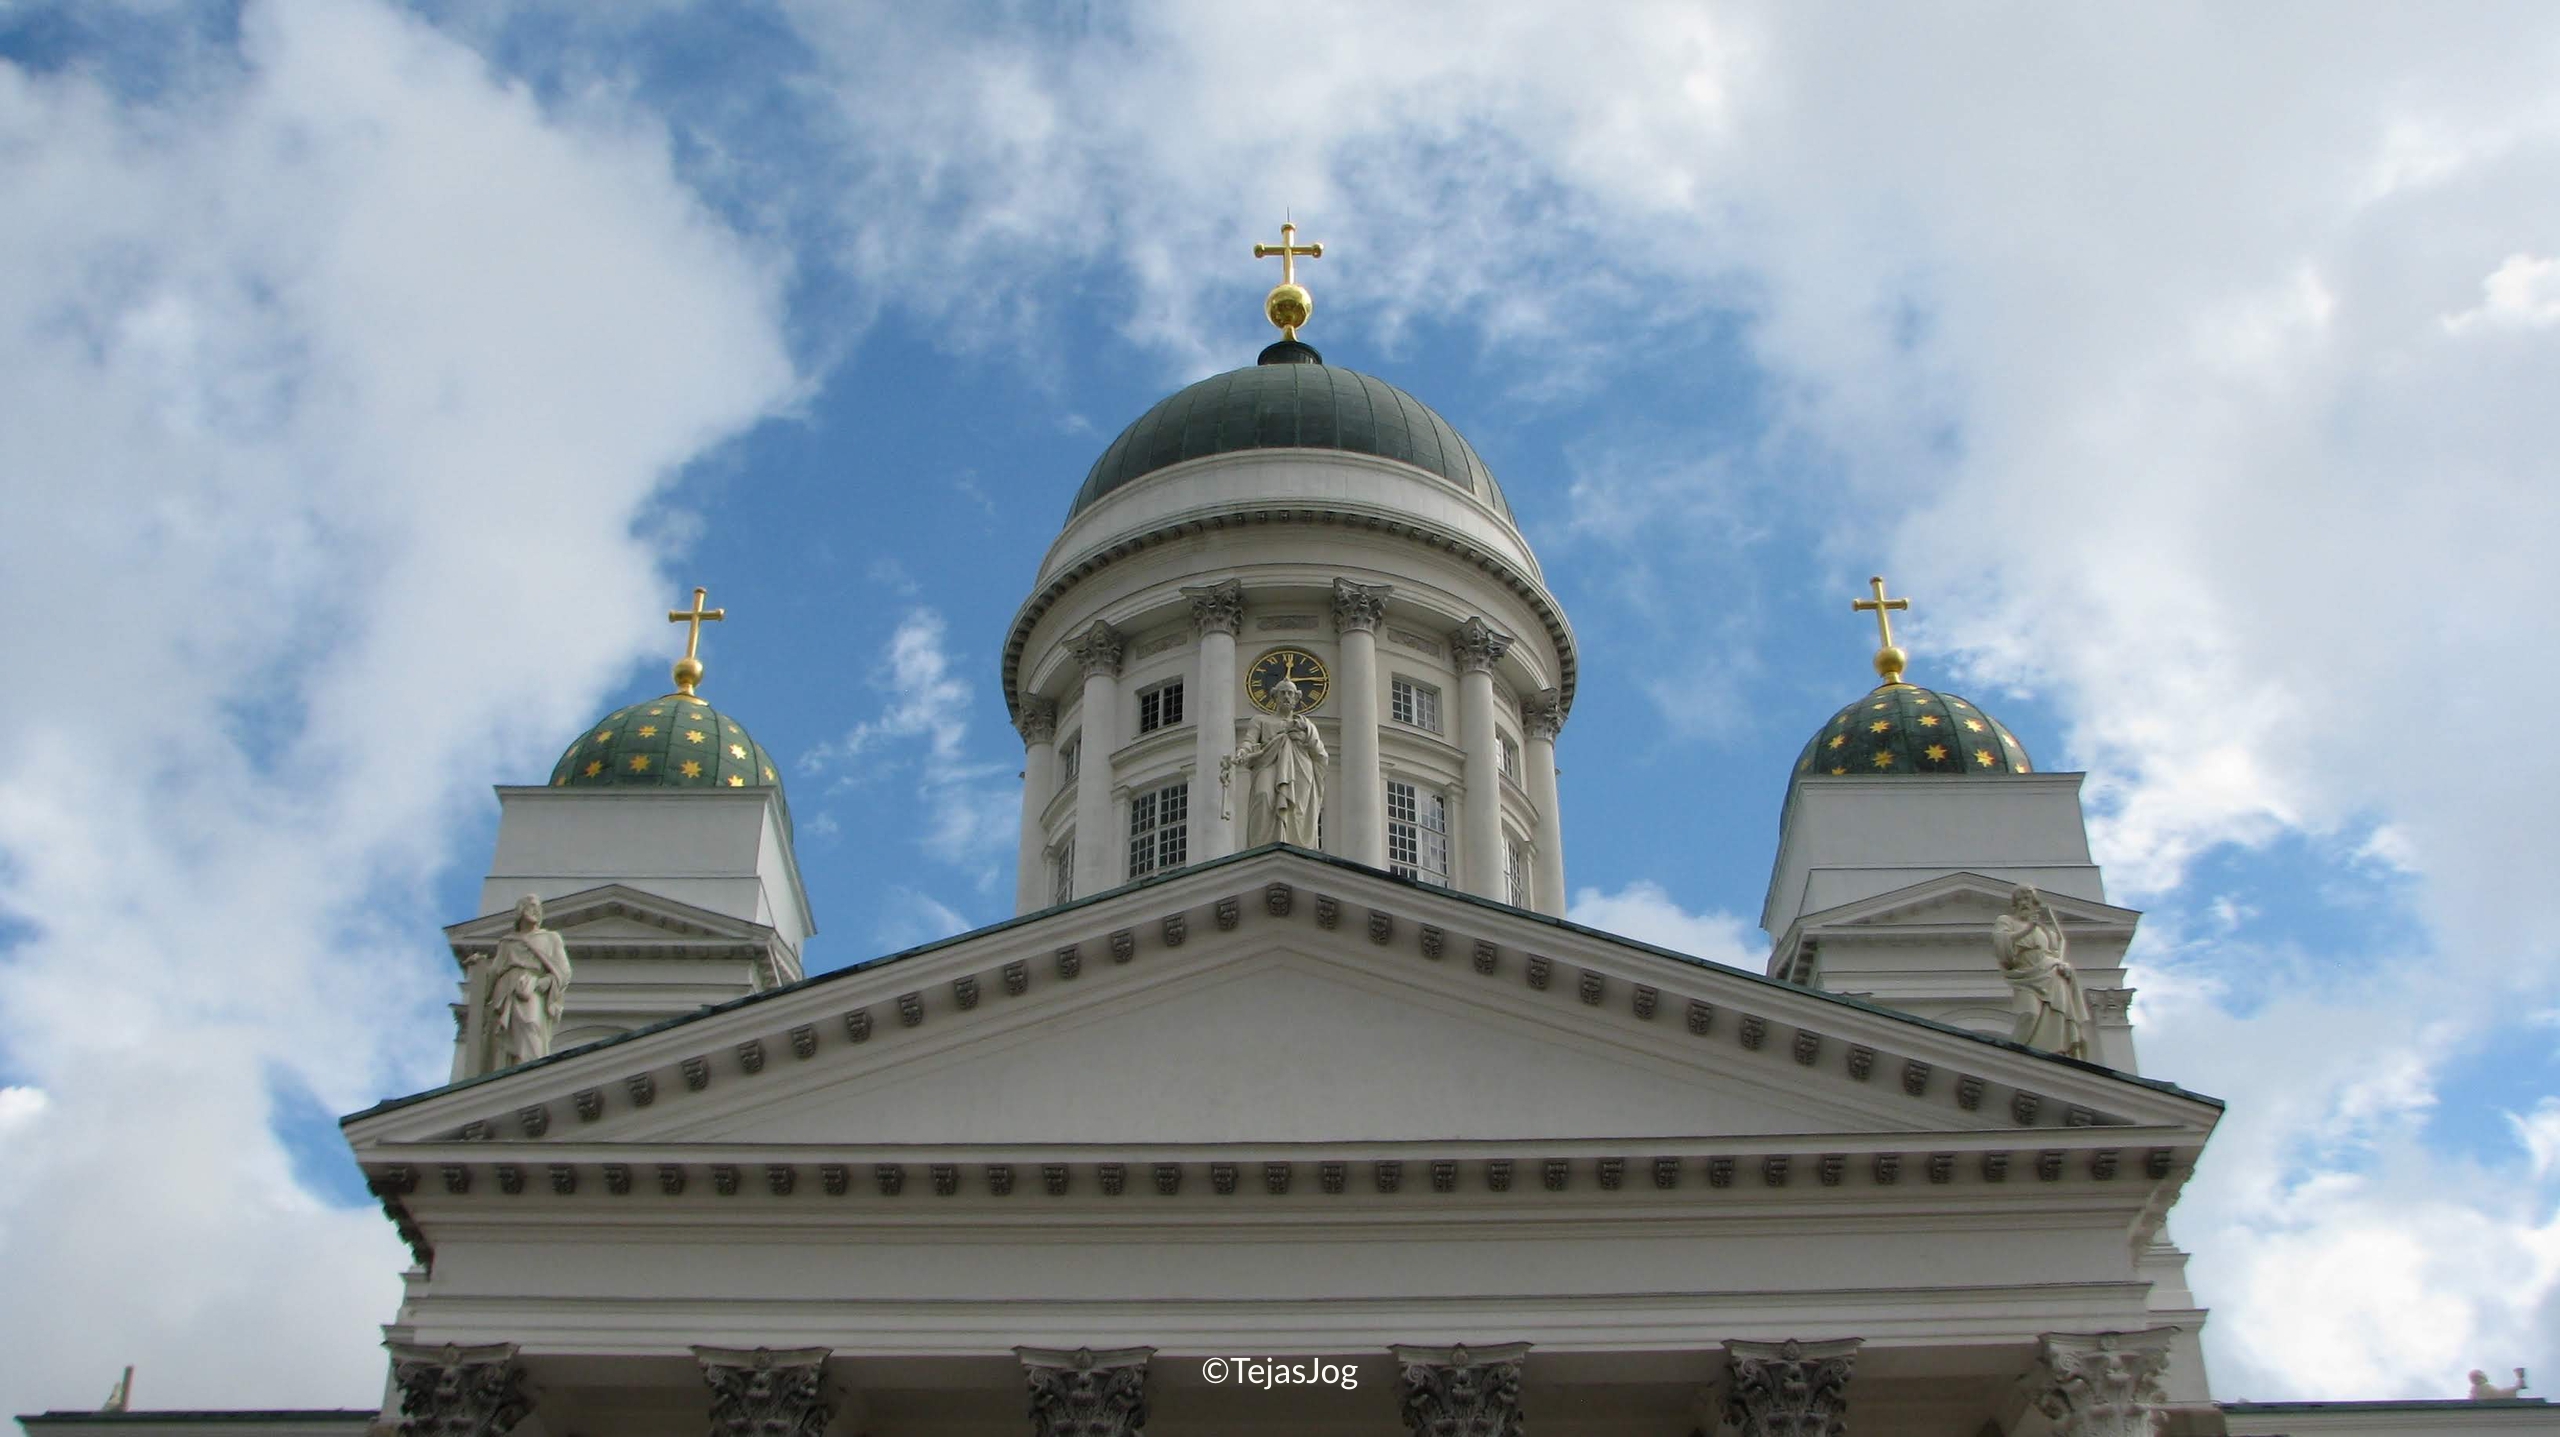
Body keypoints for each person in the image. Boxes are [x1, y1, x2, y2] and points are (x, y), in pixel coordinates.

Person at [1991, 885, 2092, 1059]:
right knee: (2029, 1014)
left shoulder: (2046, 931)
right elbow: (2001, 942)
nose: (2024, 903)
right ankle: (2014, 1061)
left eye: (2027, 899)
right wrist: (2028, 929)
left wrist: (2064, 966)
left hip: (2051, 974)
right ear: (2014, 904)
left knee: (2056, 1017)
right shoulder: (2006, 921)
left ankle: (2053, 1054)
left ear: (2035, 904)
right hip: (2025, 976)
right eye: (2020, 900)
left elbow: (2053, 954)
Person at [1229, 677, 1327, 848]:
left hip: (1299, 765)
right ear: (1275, 697)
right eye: (1283, 693)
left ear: (1296, 698)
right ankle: (1262, 847)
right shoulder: (1261, 720)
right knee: (1263, 795)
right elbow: (1249, 740)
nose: (1286, 697)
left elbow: (1319, 752)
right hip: (1268, 762)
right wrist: (1242, 752)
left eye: (1290, 693)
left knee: (1298, 808)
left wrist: (1304, 737)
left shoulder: (1305, 724)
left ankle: (1296, 846)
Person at [483, 893, 572, 1068]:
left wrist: (547, 982)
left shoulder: (550, 938)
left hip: (531, 987)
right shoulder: (507, 942)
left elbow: (564, 971)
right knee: (504, 1037)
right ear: (520, 910)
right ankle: (510, 1071)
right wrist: (478, 967)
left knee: (530, 1023)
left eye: (538, 907)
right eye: (531, 906)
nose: (536, 910)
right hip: (506, 989)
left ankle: (529, 1072)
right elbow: (494, 970)